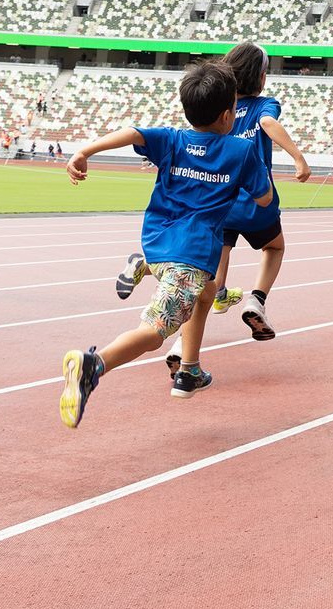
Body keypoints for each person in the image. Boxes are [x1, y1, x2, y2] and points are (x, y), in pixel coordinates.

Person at [59, 61, 273, 427]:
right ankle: (94, 364)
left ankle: (190, 369)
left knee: (207, 293)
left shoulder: (172, 139)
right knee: (156, 332)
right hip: (190, 258)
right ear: (228, 115)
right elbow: (264, 198)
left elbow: (133, 133)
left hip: (158, 244)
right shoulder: (241, 151)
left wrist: (85, 151)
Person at [162, 41, 310, 366]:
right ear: (261, 77)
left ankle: (182, 343)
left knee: (211, 275)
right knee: (275, 247)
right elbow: (268, 124)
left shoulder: (220, 106)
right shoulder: (264, 105)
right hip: (256, 202)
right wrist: (298, 157)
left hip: (221, 201)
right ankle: (256, 300)